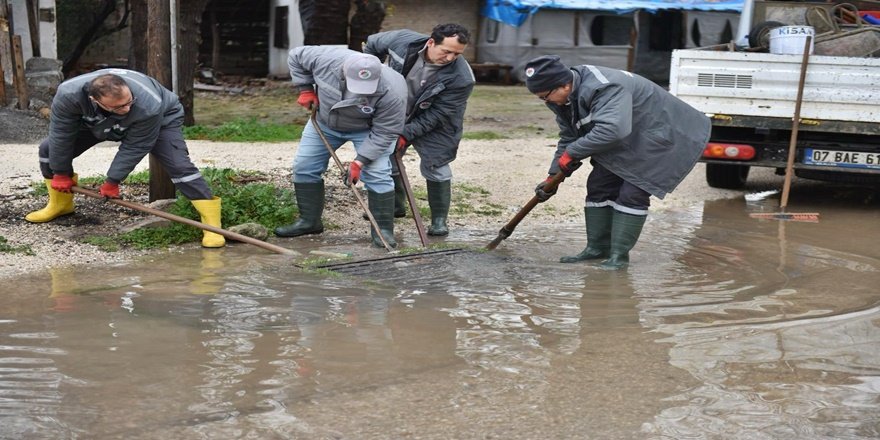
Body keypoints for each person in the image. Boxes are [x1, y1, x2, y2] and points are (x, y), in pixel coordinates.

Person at [525, 55, 711, 269]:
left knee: (632, 193)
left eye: (545, 97)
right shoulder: (562, 98)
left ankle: (618, 257)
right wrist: (553, 175)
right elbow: (570, 136)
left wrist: (573, 152)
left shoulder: (604, 86)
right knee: (599, 186)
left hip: (666, 134)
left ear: (565, 84)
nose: (546, 102)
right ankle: (597, 249)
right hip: (630, 134)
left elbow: (613, 130)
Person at [25, 69, 225, 248]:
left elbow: (136, 145)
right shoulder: (68, 95)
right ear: (95, 100)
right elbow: (62, 133)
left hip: (161, 119)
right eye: (120, 106)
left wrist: (113, 181)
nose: (127, 108)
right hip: (98, 120)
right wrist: (60, 172)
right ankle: (61, 205)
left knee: (179, 165)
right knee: (49, 150)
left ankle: (212, 224)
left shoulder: (148, 104)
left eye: (129, 102)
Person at [275, 47, 406, 248]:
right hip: (324, 122)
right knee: (304, 167)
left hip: (367, 129)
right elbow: (294, 56)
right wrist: (305, 89)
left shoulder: (394, 89)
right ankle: (310, 222)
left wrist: (360, 161)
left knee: (378, 173)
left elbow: (385, 133)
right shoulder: (324, 59)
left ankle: (383, 231)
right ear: (343, 71)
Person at [363, 23, 475, 236]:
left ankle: (439, 220)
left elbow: (439, 115)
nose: (451, 58)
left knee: (436, 165)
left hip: (437, 122)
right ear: (431, 42)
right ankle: (394, 206)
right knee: (388, 157)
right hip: (395, 109)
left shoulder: (462, 78)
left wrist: (405, 133)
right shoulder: (402, 41)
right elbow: (371, 44)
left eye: (457, 54)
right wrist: (370, 72)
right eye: (446, 51)